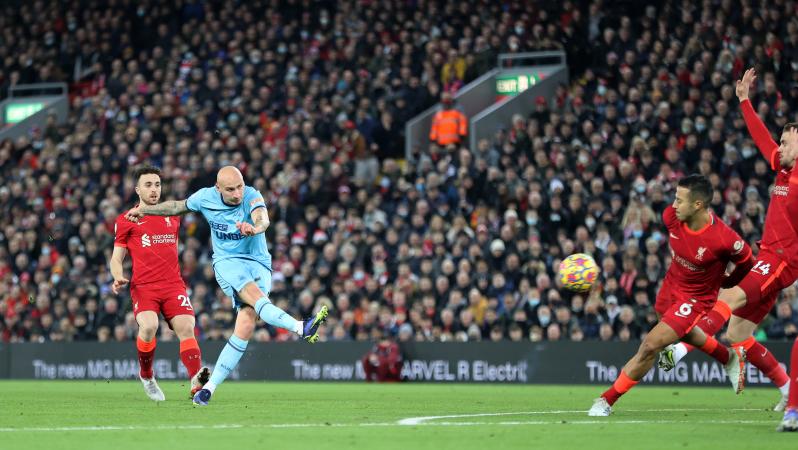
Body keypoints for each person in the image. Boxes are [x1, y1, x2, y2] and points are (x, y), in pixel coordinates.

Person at [125, 166, 329, 406]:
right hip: (228, 263)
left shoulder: (253, 195)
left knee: (246, 323)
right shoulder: (205, 198)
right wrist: (146, 211)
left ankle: (207, 390)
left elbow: (263, 218)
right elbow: (176, 206)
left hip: (259, 263)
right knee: (254, 297)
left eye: (240, 186)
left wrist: (256, 228)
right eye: (230, 189)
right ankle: (300, 327)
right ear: (218, 188)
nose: (237, 193)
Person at [658, 68, 796, 412]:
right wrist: (745, 102)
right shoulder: (784, 168)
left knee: (728, 295)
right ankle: (786, 387)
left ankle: (679, 350)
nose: (780, 147)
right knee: (737, 334)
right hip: (770, 257)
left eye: (788, 141)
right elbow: (763, 141)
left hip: (782, 260)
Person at [588, 174, 752, 416]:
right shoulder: (671, 218)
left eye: (679, 200)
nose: (673, 205)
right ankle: (727, 357)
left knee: (650, 346)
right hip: (670, 286)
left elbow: (747, 263)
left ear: (698, 205)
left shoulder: (723, 239)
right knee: (681, 333)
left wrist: (726, 282)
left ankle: (606, 400)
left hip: (695, 299)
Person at [111, 165, 209, 401]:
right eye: (148, 185)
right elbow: (116, 257)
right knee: (148, 326)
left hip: (172, 284)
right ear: (137, 190)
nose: (154, 189)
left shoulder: (171, 216)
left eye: (157, 184)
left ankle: (196, 383)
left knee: (187, 327)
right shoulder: (126, 220)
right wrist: (117, 276)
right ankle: (146, 376)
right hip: (144, 286)